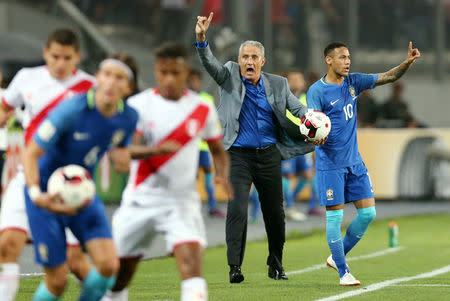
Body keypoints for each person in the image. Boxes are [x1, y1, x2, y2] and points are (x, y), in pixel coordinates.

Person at [195, 13, 324, 283]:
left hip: (268, 156)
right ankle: (234, 268)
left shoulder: (278, 84)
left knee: (275, 214)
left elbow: (297, 108)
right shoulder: (228, 75)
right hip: (237, 156)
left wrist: (313, 121)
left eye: (254, 57)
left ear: (262, 62)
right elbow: (209, 63)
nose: (249, 62)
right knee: (237, 209)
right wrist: (202, 40)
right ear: (239, 60)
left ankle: (275, 265)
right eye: (245, 57)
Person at [101, 42, 231, 301]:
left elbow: (217, 149)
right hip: (140, 200)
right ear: (156, 71)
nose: (169, 78)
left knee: (192, 270)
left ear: (186, 72)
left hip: (181, 203)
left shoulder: (201, 108)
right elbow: (129, 149)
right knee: (118, 278)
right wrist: (157, 150)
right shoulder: (138, 105)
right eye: (163, 72)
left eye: (175, 72)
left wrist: (222, 175)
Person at [22, 53, 139, 300]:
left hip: (83, 194)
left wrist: (124, 158)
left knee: (109, 266)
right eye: (106, 74)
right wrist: (36, 194)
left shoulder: (128, 118)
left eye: (119, 78)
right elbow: (30, 153)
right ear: (97, 78)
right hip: (47, 195)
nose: (111, 82)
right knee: (57, 281)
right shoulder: (71, 110)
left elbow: (120, 151)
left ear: (128, 88)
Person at [307, 41, 420, 285]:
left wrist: (407, 63)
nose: (347, 61)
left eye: (349, 57)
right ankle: (343, 272)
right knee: (335, 219)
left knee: (368, 214)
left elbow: (389, 76)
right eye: (342, 57)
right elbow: (312, 123)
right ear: (329, 60)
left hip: (354, 162)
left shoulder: (353, 82)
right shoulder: (317, 91)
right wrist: (314, 136)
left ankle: (336, 257)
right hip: (331, 165)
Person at [0, 28, 95, 300]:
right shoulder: (26, 79)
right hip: (27, 176)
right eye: (55, 56)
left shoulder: (90, 87)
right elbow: (5, 106)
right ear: (45, 53)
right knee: (6, 246)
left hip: (70, 181)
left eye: (67, 57)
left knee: (76, 263)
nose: (60, 63)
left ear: (77, 56)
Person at [187, 68, 226, 218]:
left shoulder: (206, 99)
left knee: (208, 173)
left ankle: (212, 206)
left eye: (196, 80)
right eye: (191, 80)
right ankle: (190, 208)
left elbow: (213, 122)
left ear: (199, 82)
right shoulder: (183, 98)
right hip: (188, 146)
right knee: (190, 176)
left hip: (203, 146)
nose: (193, 83)